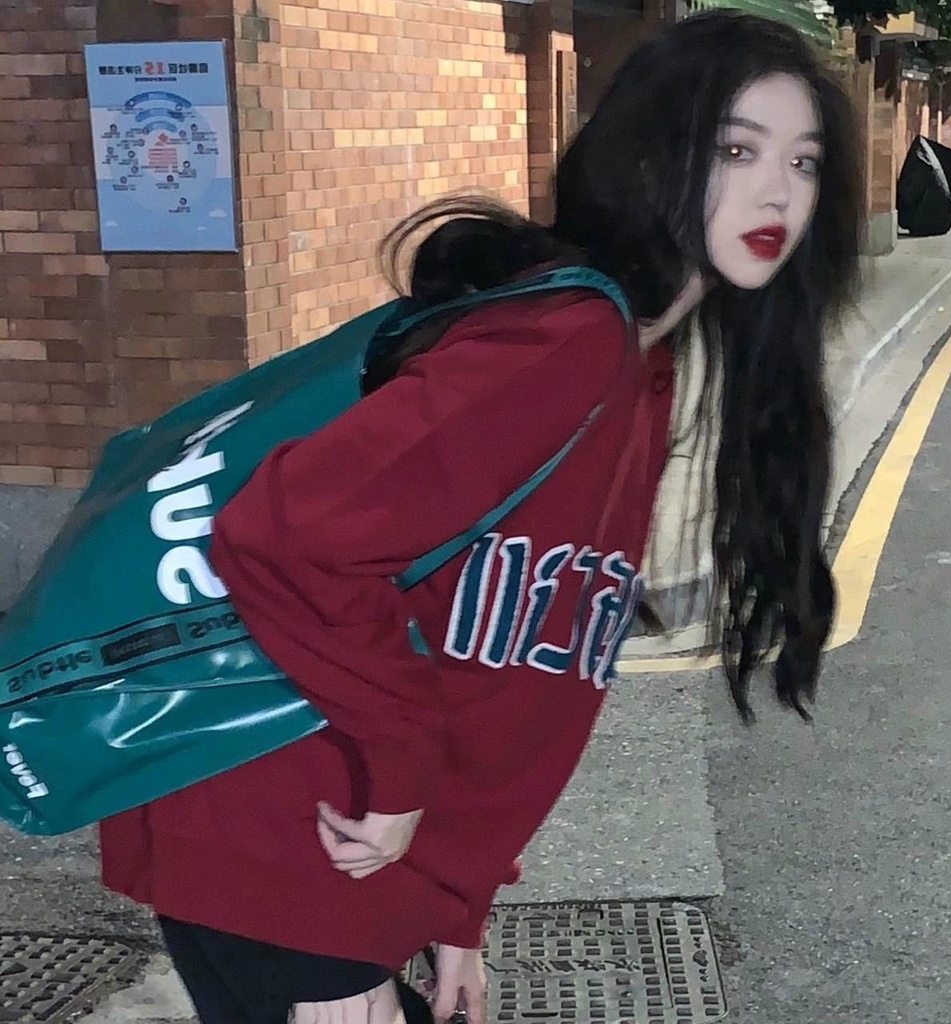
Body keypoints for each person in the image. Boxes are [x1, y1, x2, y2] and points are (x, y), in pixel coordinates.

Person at [99, 10, 865, 1024]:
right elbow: (283, 534)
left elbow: (498, 654)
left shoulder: (638, 363)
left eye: (804, 162)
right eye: (736, 150)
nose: (778, 191)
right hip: (297, 846)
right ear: (649, 156)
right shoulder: (570, 343)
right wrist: (401, 779)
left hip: (357, 855)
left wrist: (458, 904)